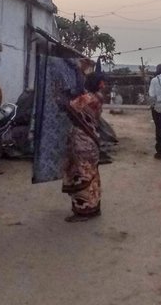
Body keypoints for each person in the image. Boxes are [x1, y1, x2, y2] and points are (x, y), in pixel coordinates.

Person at [59, 73, 105, 222]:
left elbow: (67, 106)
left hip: (82, 143)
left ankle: (83, 211)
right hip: (93, 140)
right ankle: (94, 207)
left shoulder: (87, 99)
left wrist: (60, 92)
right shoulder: (99, 97)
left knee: (82, 177)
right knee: (92, 176)